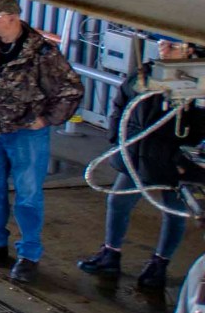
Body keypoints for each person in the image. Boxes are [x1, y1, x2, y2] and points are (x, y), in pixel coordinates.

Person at [0, 0, 85, 284]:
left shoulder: (42, 52)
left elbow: (71, 88)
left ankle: (29, 254)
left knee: (27, 195)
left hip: (26, 134)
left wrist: (46, 119)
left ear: (13, 18)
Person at [81, 37, 205, 292]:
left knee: (172, 212)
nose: (163, 48)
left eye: (171, 45)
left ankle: (159, 265)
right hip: (137, 152)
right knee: (118, 202)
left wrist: (183, 160)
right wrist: (117, 138)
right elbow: (122, 101)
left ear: (190, 50)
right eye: (161, 43)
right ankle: (110, 254)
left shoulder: (198, 84)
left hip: (173, 160)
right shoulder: (147, 72)